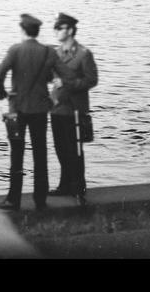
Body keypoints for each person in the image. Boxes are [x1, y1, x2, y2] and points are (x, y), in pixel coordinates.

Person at [0, 13, 73, 212]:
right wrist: (54, 94)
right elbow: (68, 77)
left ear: (23, 30)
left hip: (17, 110)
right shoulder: (48, 52)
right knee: (40, 153)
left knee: (16, 154)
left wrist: (3, 95)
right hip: (40, 110)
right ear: (37, 32)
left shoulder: (15, 50)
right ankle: (40, 199)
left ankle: (13, 199)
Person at [49, 12, 98, 206]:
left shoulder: (83, 54)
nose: (56, 32)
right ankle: (64, 185)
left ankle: (78, 187)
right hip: (57, 108)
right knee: (60, 148)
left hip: (74, 109)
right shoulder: (56, 53)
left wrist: (69, 83)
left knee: (75, 149)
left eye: (59, 28)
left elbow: (92, 80)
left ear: (69, 30)